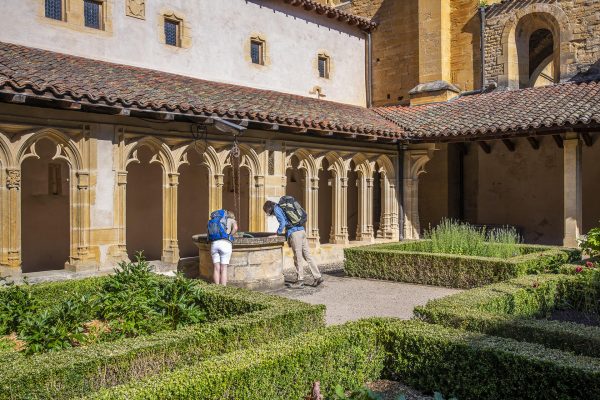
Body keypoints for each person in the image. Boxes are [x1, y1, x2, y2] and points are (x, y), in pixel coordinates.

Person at [263, 199, 323, 288]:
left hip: (294, 234)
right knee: (308, 256)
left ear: (269, 208)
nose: (272, 215)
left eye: (269, 212)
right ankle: (318, 276)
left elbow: (282, 223)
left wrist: (277, 234)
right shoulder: (282, 207)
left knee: (297, 257)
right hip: (302, 231)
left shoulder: (276, 209)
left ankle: (300, 280)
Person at [207, 209, 237, 286]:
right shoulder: (232, 220)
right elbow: (236, 228)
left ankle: (217, 288)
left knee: (216, 268)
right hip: (225, 244)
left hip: (214, 244)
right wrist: (230, 235)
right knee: (224, 268)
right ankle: (223, 289)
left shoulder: (215, 220)